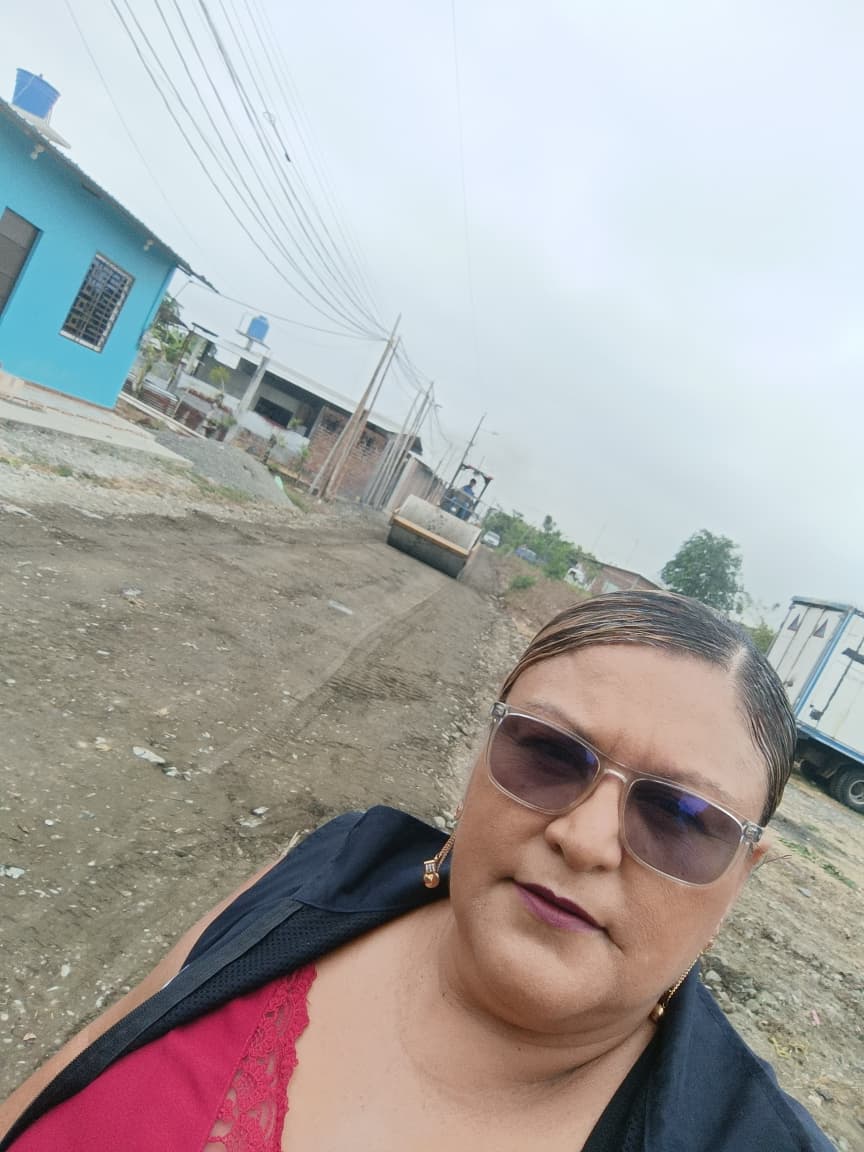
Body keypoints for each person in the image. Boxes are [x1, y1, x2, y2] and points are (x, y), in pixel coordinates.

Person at [0, 591, 832, 1151]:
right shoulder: (336, 865)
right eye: (548, 752)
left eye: (681, 817)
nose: (585, 839)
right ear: (484, 749)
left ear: (742, 873)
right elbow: (88, 1054)